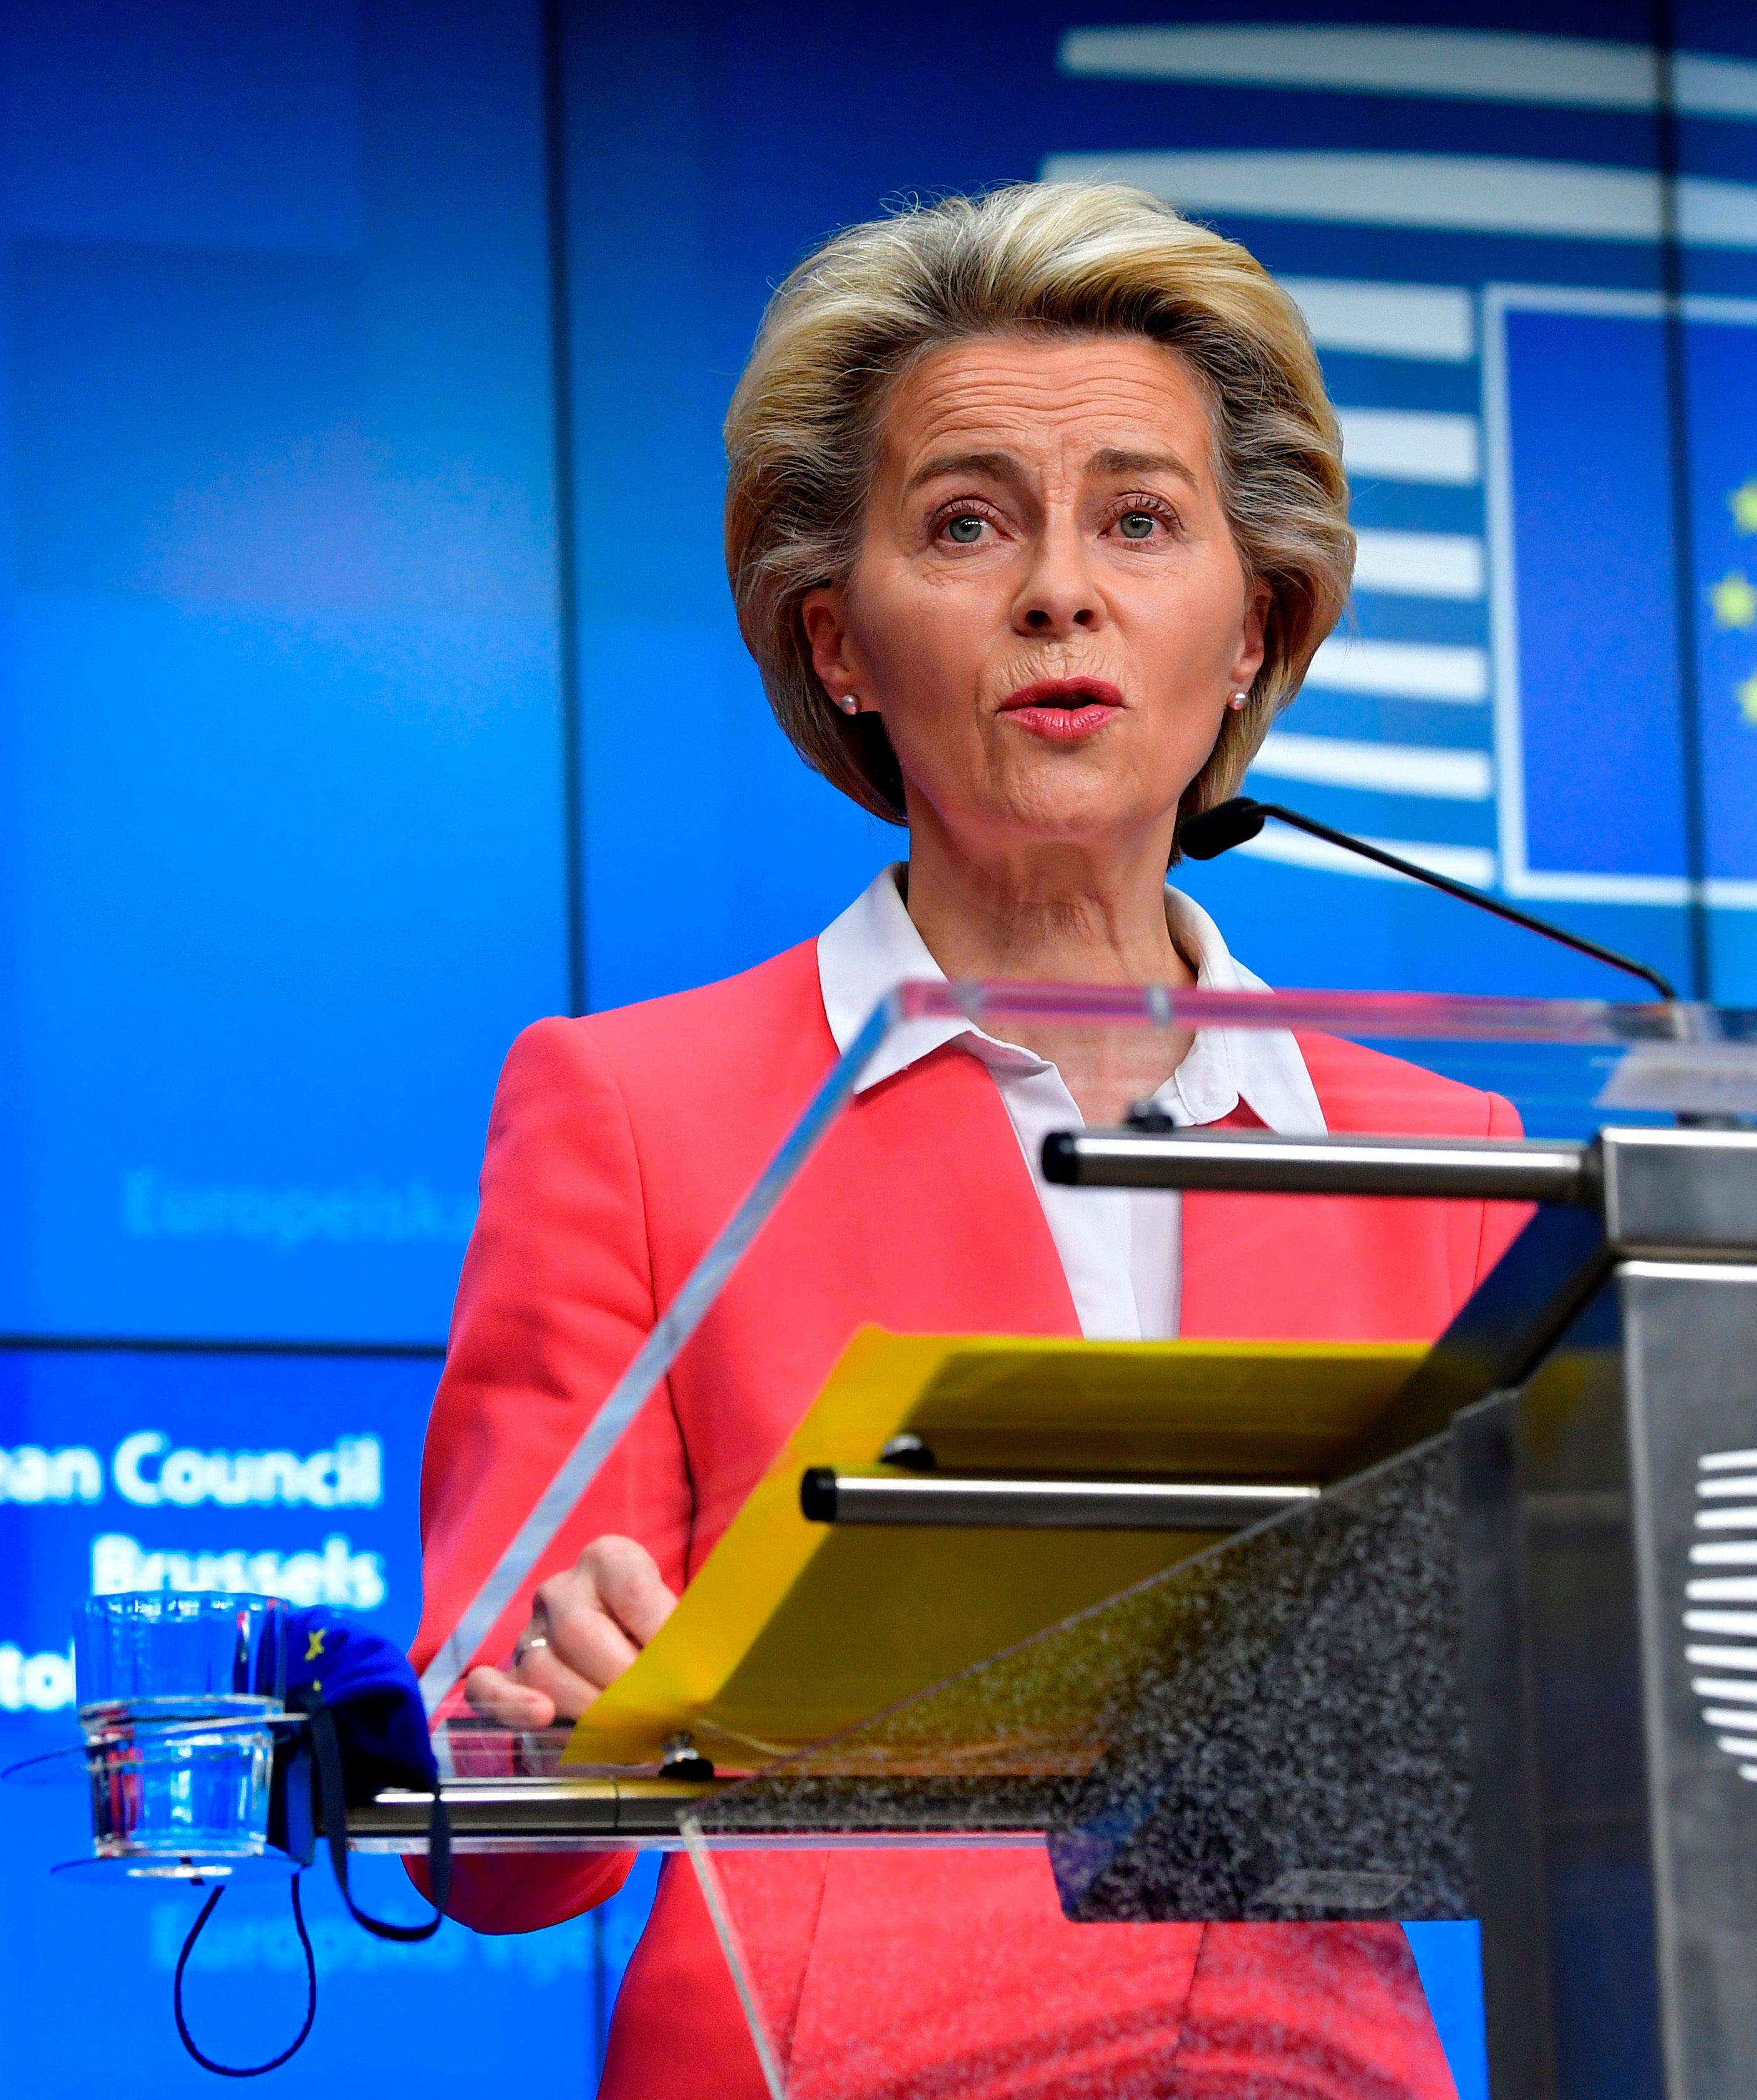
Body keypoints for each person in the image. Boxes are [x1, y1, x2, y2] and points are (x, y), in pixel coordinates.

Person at [411, 180, 1529, 2099]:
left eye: (1141, 521)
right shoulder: (638, 1114)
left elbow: (1558, 1737)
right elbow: (489, 1816)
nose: (1058, 594)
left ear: (1251, 628)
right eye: (966, 523)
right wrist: (554, 1729)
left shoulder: (1441, 1150)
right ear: (839, 644)